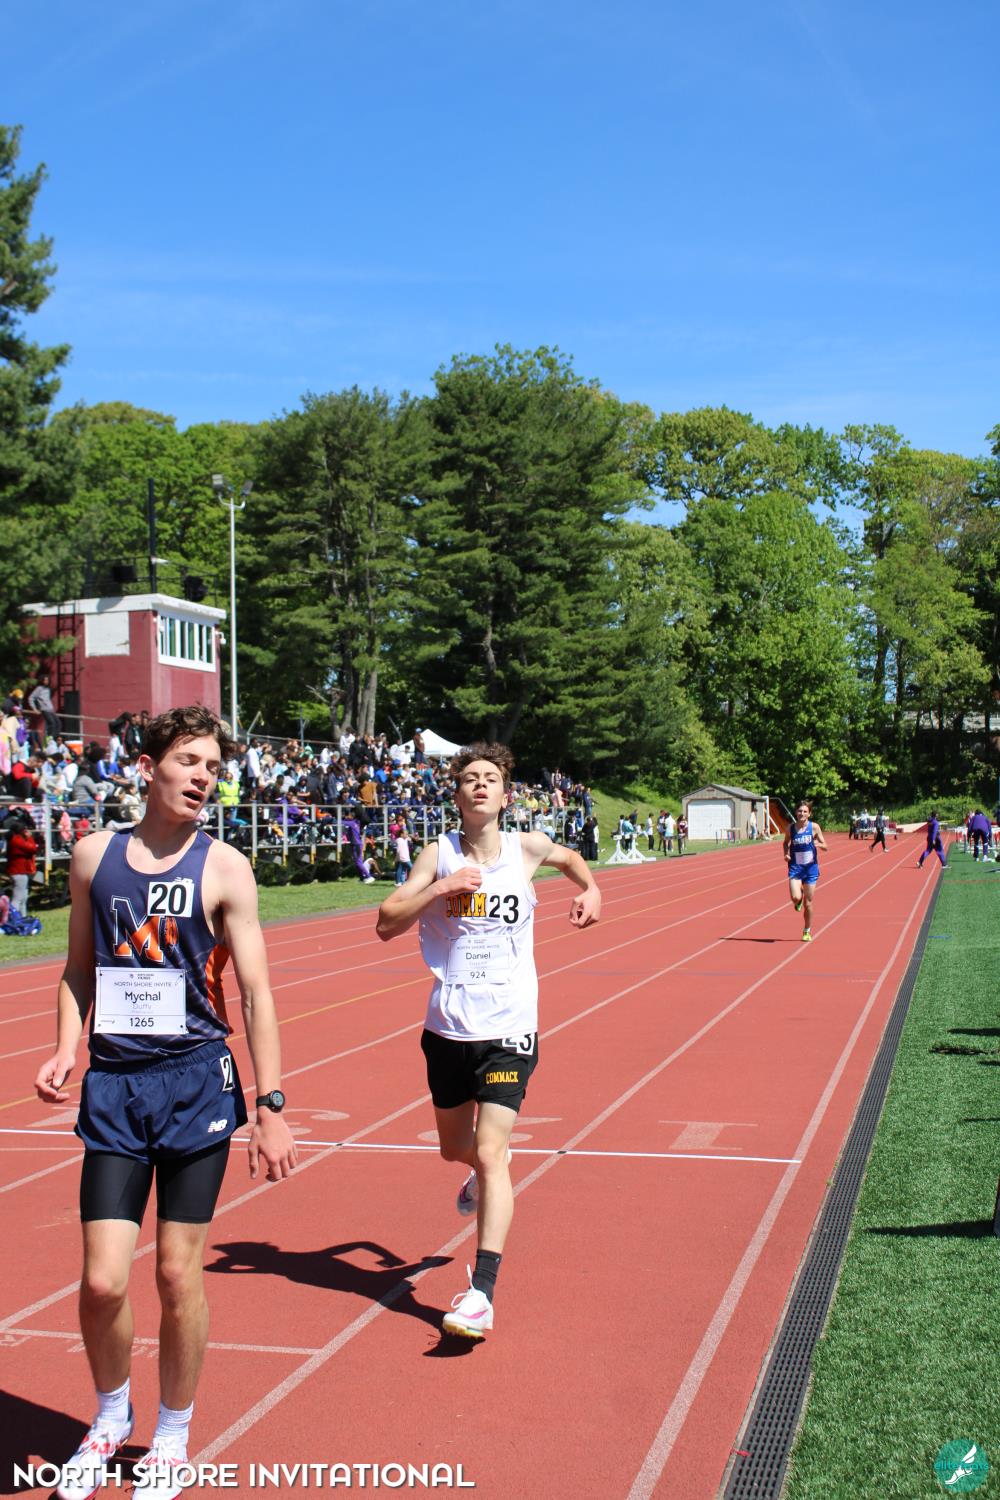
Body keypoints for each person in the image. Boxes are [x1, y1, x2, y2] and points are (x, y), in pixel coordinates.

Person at [33, 705, 296, 1500]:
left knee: (179, 1277)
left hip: (195, 1083)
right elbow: (79, 968)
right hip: (116, 1087)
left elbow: (256, 993)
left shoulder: (226, 869)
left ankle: (172, 1434)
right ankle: (110, 1416)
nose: (202, 777)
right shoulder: (93, 857)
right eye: (188, 761)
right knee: (103, 1283)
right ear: (148, 767)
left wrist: (270, 1105)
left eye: (213, 767)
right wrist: (66, 1047)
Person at [376, 742, 601, 1339]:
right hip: (449, 1028)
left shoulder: (527, 848)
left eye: (491, 778)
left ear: (505, 795)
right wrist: (439, 889)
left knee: (494, 1150)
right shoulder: (438, 854)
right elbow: (385, 923)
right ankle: (477, 1169)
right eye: (469, 777)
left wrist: (592, 889)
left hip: (509, 1027)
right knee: (458, 1148)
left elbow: (572, 859)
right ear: (456, 794)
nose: (480, 784)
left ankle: (481, 1293)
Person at [783, 799, 828, 942]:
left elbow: (826, 846)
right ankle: (798, 900)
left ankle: (807, 930)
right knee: (796, 897)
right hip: (795, 868)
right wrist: (786, 853)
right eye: (799, 811)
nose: (802, 813)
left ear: (809, 814)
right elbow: (785, 842)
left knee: (808, 903)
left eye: (805, 811)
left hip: (810, 869)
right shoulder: (790, 828)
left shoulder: (814, 827)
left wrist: (819, 844)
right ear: (796, 812)